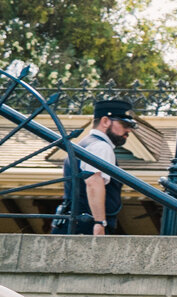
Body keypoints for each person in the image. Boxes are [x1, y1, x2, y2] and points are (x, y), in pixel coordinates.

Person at [56, 100, 135, 236]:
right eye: (124, 124)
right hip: (86, 225)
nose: (128, 130)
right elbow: (93, 183)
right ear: (105, 121)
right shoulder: (100, 146)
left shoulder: (84, 144)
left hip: (75, 220)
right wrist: (99, 223)